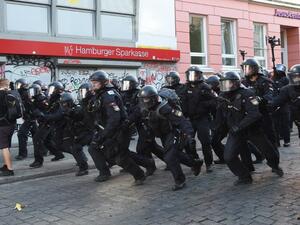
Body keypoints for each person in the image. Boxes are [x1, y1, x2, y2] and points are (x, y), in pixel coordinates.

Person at [216, 72, 283, 185]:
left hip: (252, 129)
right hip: (235, 131)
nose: (226, 86)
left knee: (268, 151)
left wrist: (239, 126)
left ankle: (275, 165)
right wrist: (218, 129)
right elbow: (220, 114)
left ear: (236, 83)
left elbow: (254, 114)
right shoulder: (222, 96)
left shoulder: (247, 94)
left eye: (229, 83)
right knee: (228, 156)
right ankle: (244, 176)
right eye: (224, 83)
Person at [138, 85, 203, 191]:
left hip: (174, 132)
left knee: (169, 157)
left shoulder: (164, 108)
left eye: (147, 99)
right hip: (163, 133)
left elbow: (182, 120)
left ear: (153, 98)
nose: (145, 101)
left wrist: (190, 135)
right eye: (143, 99)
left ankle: (180, 181)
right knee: (174, 154)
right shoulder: (145, 108)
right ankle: (195, 163)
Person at [88, 70, 146, 184]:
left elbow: (114, 119)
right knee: (115, 153)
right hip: (109, 130)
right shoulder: (100, 94)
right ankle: (148, 163)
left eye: (96, 82)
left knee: (120, 158)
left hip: (119, 130)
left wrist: (104, 135)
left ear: (103, 83)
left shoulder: (109, 96)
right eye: (92, 82)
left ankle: (140, 175)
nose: (93, 85)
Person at [183, 66, 216, 172]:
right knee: (187, 142)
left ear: (199, 75)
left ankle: (209, 163)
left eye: (195, 75)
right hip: (190, 119)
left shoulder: (205, 87)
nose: (193, 77)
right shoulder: (185, 87)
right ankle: (195, 161)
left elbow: (214, 101)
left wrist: (203, 105)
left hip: (203, 118)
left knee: (205, 142)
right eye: (190, 75)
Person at [270, 64, 300, 144]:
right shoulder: (287, 89)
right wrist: (267, 103)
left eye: (298, 77)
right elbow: (277, 101)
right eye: (294, 77)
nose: (296, 79)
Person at [15, 78, 38, 160]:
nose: (17, 87)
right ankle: (45, 151)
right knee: (37, 135)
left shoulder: (26, 94)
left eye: (19, 85)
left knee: (21, 134)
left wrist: (29, 115)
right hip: (30, 118)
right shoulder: (21, 94)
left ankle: (23, 154)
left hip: (30, 118)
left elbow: (31, 106)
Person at [272, 64, 290, 147]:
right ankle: (276, 141)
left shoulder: (286, 80)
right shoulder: (273, 79)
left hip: (284, 105)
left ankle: (287, 141)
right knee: (275, 125)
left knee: (285, 124)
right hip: (275, 104)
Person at [0, 79, 16, 176]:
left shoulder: (0, 95)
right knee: (7, 145)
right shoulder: (11, 94)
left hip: (3, 125)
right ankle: (6, 165)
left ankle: (10, 170)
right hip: (11, 124)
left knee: (4, 147)